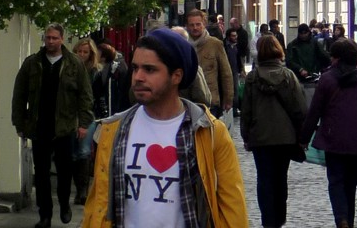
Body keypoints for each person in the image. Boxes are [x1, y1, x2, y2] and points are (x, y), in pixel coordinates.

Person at [81, 27, 248, 227]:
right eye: (135, 68)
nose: (138, 77)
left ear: (176, 76)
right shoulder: (113, 130)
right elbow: (97, 205)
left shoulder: (209, 132)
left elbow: (232, 206)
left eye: (150, 69)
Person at [12, 23, 93, 228]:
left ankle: (64, 204)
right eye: (48, 38)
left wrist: (83, 123)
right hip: (39, 126)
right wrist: (19, 122)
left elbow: (85, 95)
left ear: (62, 39)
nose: (50, 42)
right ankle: (45, 215)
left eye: (54, 38)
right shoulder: (32, 63)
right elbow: (19, 94)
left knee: (65, 171)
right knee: (41, 174)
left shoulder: (74, 64)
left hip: (65, 126)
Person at [300, 38, 357, 228]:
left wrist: (304, 138)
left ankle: (342, 218)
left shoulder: (326, 80)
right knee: (352, 183)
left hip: (334, 140)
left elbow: (314, 111)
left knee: (337, 181)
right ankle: (346, 217)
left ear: (336, 59)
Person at [241, 35, 307, 228]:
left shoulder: (253, 78)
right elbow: (299, 108)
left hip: (261, 137)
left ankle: (268, 219)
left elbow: (246, 110)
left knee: (264, 179)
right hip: (285, 137)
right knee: (280, 178)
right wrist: (302, 134)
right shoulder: (288, 76)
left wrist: (246, 135)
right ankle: (279, 217)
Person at [71, 38, 103, 206]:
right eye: (79, 51)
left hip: (89, 116)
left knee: (83, 151)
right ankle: (79, 188)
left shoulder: (95, 72)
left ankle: (82, 192)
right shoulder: (68, 69)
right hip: (70, 116)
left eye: (85, 52)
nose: (82, 55)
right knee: (74, 153)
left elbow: (97, 96)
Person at [186, 8, 233, 117]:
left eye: (198, 24)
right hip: (188, 101)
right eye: (192, 25)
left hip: (211, 101)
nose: (195, 28)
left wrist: (228, 99)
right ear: (187, 26)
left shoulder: (215, 44)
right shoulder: (183, 44)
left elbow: (226, 73)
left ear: (204, 24)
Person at [97, 41, 130, 116]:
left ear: (103, 57)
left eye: (97, 54)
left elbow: (110, 93)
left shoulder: (112, 70)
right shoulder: (102, 69)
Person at [224, 27, 246, 116]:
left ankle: (235, 109)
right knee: (229, 91)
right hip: (226, 72)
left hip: (235, 71)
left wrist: (241, 69)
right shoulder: (224, 46)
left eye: (236, 35)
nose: (235, 37)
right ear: (229, 37)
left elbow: (238, 58)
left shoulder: (236, 46)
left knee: (236, 91)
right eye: (233, 36)